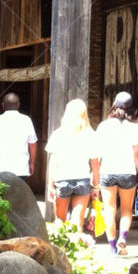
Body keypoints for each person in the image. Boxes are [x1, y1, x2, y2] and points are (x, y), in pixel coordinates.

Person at [91, 90, 138, 256]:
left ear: (114, 105)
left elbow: (97, 153)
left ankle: (112, 247)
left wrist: (95, 175)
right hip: (128, 172)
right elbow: (137, 154)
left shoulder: (103, 126)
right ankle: (123, 238)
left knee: (109, 209)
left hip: (107, 171)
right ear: (131, 108)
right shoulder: (135, 127)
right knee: (126, 210)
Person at [44, 98, 96, 232]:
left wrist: (50, 186)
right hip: (82, 179)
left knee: (60, 221)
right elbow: (95, 164)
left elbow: (53, 162)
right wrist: (96, 186)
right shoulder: (90, 134)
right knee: (77, 221)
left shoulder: (58, 134)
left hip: (62, 179)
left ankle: (63, 250)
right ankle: (78, 250)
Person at [0, 92, 38, 179]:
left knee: (2, 193)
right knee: (19, 193)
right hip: (22, 168)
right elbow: (33, 144)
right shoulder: (26, 120)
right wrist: (31, 164)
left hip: (1, 169)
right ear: (18, 105)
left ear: (3, 105)